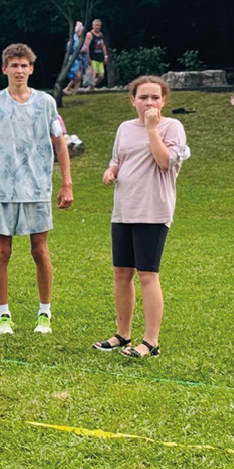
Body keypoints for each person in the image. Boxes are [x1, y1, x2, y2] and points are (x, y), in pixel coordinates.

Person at [0, 44, 73, 335]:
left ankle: (44, 313)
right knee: (3, 251)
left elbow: (60, 142)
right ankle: (3, 314)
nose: (19, 70)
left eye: (24, 65)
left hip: (37, 187)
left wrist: (66, 183)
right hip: (2, 188)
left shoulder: (46, 103)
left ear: (31, 69)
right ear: (4, 69)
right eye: (14, 65)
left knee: (39, 250)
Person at [93, 76, 189, 358]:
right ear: (132, 100)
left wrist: (151, 128)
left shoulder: (172, 127)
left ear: (164, 100)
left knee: (148, 275)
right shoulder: (124, 128)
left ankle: (151, 342)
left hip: (153, 211)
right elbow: (117, 160)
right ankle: (122, 334)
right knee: (122, 273)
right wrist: (111, 171)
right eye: (143, 97)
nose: (149, 102)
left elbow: (164, 161)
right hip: (124, 210)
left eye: (155, 97)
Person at [62, 21, 88, 96]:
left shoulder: (81, 40)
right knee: (77, 76)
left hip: (81, 60)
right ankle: (67, 88)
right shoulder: (73, 41)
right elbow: (70, 49)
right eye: (81, 32)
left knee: (80, 77)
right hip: (74, 60)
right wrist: (79, 51)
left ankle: (76, 91)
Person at [83, 19, 109, 91]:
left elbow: (103, 45)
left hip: (99, 57)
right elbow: (86, 47)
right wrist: (88, 58)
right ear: (93, 26)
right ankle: (92, 88)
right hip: (92, 57)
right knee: (94, 73)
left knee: (101, 75)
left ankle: (92, 85)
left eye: (99, 25)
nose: (98, 27)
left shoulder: (100, 34)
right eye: (96, 25)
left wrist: (105, 56)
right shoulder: (89, 34)